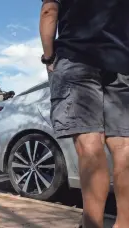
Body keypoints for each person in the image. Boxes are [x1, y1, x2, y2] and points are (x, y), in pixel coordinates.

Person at [39, 0, 129, 227]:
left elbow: (49, 11)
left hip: (77, 55)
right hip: (121, 62)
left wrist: (49, 58)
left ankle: (92, 224)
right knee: (124, 148)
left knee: (90, 144)